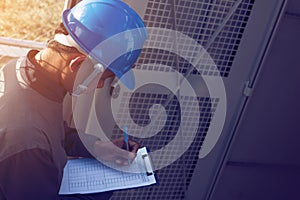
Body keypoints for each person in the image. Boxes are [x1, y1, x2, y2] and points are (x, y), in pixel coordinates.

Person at [0, 0, 148, 199]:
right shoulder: (28, 141)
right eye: (103, 78)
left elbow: (54, 129)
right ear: (77, 65)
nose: (100, 86)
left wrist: (97, 147)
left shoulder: (24, 69)